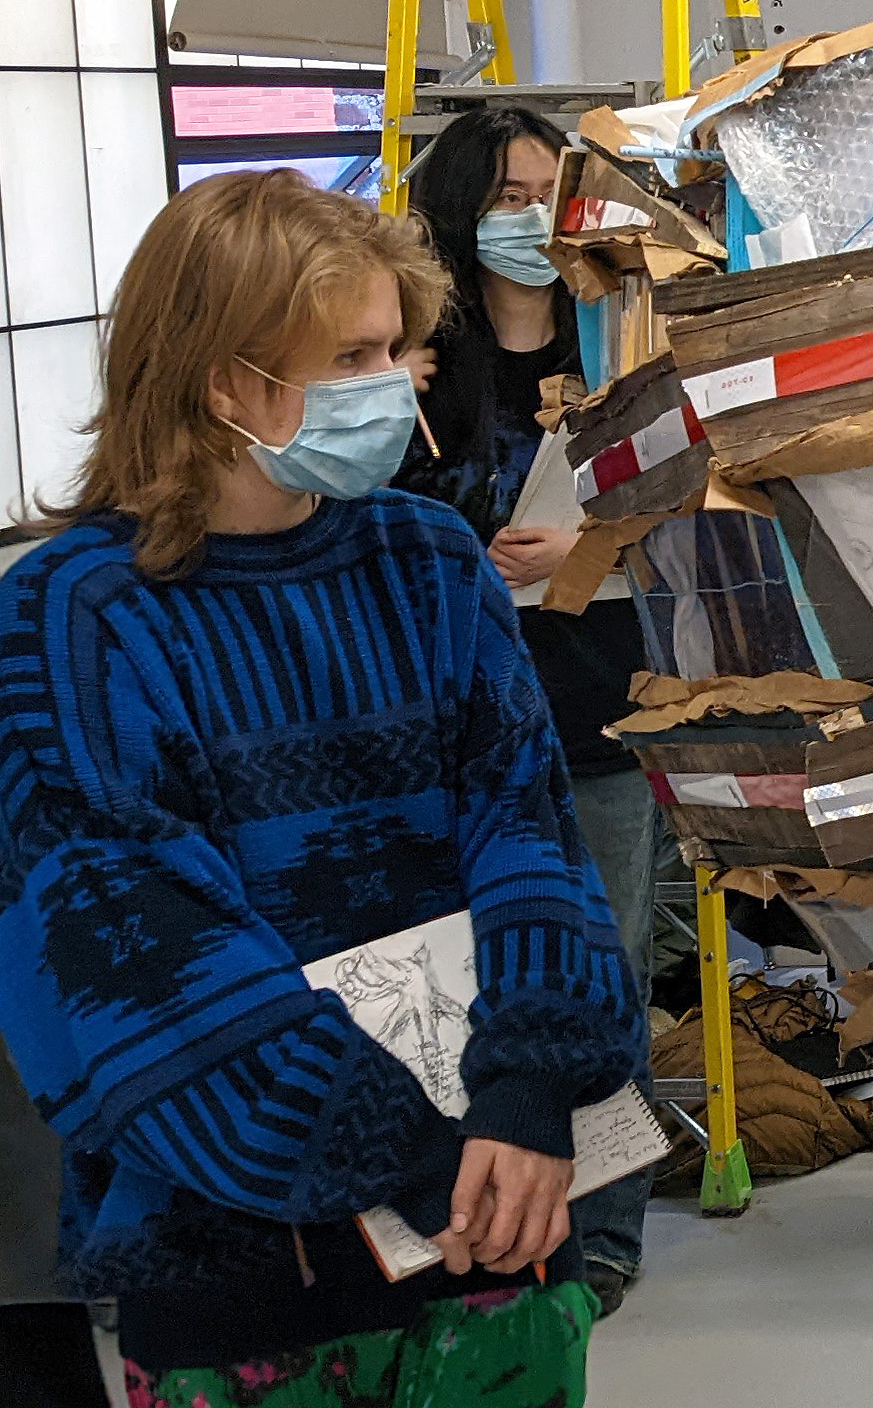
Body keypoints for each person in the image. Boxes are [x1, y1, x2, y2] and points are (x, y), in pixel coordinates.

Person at [0, 170, 642, 1405]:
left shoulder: (428, 558)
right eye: (352, 353)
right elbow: (129, 939)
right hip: (249, 1252)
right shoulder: (73, 613)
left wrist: (528, 1089)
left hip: (503, 1213)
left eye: (398, 344)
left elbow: (528, 833)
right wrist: (406, 1148)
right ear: (221, 377)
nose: (398, 380)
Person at [396, 100, 659, 1308]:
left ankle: (599, 1232)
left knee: (598, 966)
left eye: (547, 193)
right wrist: (467, 545)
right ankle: (472, 1213)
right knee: (455, 977)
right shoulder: (409, 357)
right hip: (441, 721)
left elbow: (708, 516)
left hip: (600, 703)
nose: (528, 220)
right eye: (503, 196)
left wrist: (585, 559)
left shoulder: (624, 341)